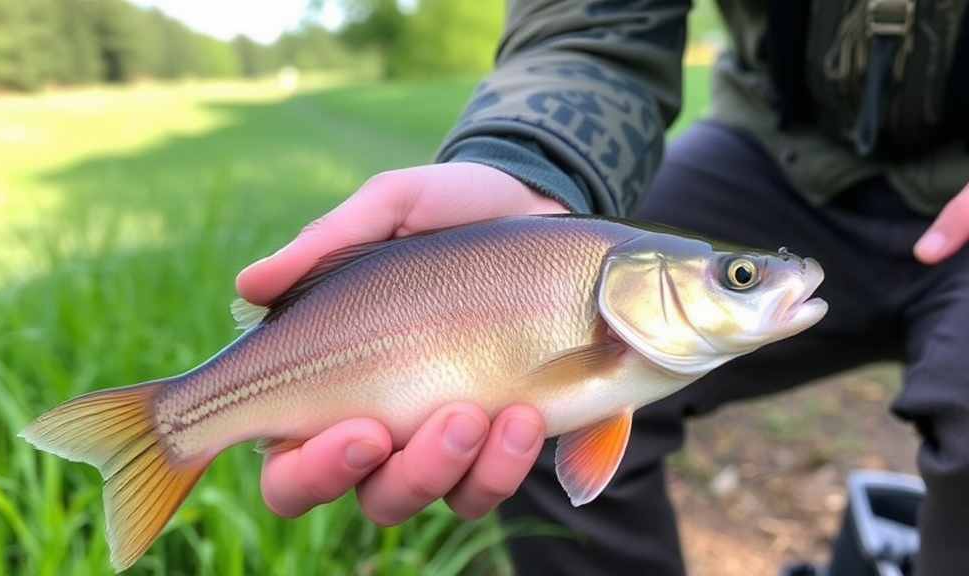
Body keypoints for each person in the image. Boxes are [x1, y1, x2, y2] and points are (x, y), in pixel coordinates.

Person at [236, 1, 969, 574]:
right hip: (778, 148)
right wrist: (530, 160)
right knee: (529, 444)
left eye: (739, 278)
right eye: (741, 276)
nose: (756, 282)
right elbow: (597, 18)